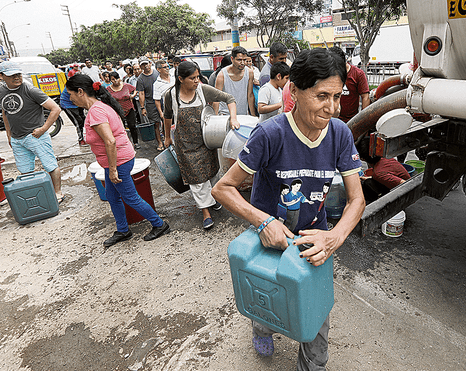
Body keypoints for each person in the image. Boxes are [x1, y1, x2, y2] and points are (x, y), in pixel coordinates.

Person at [212, 48, 365, 370]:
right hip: (268, 240)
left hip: (314, 243)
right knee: (267, 295)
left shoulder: (339, 134)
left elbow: (356, 200)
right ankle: (262, 326)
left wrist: (333, 237)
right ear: (294, 90)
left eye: (338, 96)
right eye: (322, 96)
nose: (332, 108)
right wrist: (263, 221)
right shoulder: (270, 134)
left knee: (315, 317)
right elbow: (222, 188)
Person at [65, 74, 170, 248]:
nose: (70, 98)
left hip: (117, 161)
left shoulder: (96, 112)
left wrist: (113, 169)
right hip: (113, 160)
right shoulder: (98, 107)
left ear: (81, 92)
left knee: (131, 197)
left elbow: (110, 141)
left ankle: (160, 224)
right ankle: (123, 230)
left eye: (71, 94)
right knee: (112, 196)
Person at [163, 61, 240, 230]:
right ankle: (205, 211)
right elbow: (167, 116)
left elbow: (229, 99)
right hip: (185, 145)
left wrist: (233, 118)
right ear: (181, 79)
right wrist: (167, 136)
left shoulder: (203, 90)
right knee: (196, 180)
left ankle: (214, 198)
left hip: (206, 141)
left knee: (212, 172)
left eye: (198, 77)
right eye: (192, 78)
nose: (197, 81)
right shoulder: (171, 95)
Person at [0, 61, 64, 203]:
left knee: (50, 165)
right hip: (17, 139)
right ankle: (35, 194)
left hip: (35, 136)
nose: (17, 78)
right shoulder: (0, 91)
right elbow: (5, 113)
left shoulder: (30, 90)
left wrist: (44, 129)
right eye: (12, 75)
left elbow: (55, 109)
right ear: (1, 76)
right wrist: (9, 135)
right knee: (25, 172)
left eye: (18, 74)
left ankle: (58, 193)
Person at [356, 137, 411, 203]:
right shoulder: (385, 157)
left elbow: (406, 184)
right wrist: (365, 178)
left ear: (362, 159)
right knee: (368, 181)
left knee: (367, 184)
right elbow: (387, 176)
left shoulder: (378, 173)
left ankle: (377, 204)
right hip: (401, 183)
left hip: (405, 193)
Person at [329, 46, 370, 123]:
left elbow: (365, 97)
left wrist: (363, 120)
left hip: (351, 120)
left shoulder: (358, 74)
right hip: (333, 119)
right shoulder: (330, 74)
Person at [214, 46, 256, 116]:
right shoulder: (222, 75)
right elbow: (216, 98)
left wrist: (253, 115)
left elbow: (250, 95)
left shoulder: (249, 73)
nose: (242, 63)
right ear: (232, 59)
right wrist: (215, 118)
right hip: (225, 115)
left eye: (244, 60)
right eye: (239, 60)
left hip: (243, 115)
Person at [136, 57, 164, 150]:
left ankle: (168, 139)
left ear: (150, 63)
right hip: (151, 103)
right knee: (156, 123)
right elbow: (141, 93)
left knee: (166, 121)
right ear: (141, 66)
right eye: (143, 65)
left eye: (146, 63)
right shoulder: (140, 79)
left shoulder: (157, 73)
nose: (145, 66)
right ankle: (160, 142)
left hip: (162, 101)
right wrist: (142, 107)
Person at [107, 71, 140, 149]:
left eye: (117, 79)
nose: (115, 81)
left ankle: (136, 142)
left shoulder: (126, 86)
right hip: (117, 111)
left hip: (129, 108)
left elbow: (135, 89)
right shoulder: (108, 89)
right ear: (110, 80)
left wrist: (132, 96)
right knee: (120, 128)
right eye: (113, 79)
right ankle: (124, 143)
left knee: (132, 126)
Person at [152, 60, 174, 135]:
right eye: (165, 67)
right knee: (170, 131)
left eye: (168, 66)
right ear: (159, 69)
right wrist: (161, 114)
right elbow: (157, 100)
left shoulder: (174, 77)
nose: (167, 68)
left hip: (179, 107)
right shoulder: (157, 84)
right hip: (169, 111)